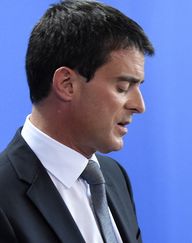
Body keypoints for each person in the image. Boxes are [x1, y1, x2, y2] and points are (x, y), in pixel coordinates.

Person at [0, 1, 154, 242]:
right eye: (123, 87)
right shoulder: (4, 196)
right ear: (66, 84)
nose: (139, 105)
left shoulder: (114, 176)